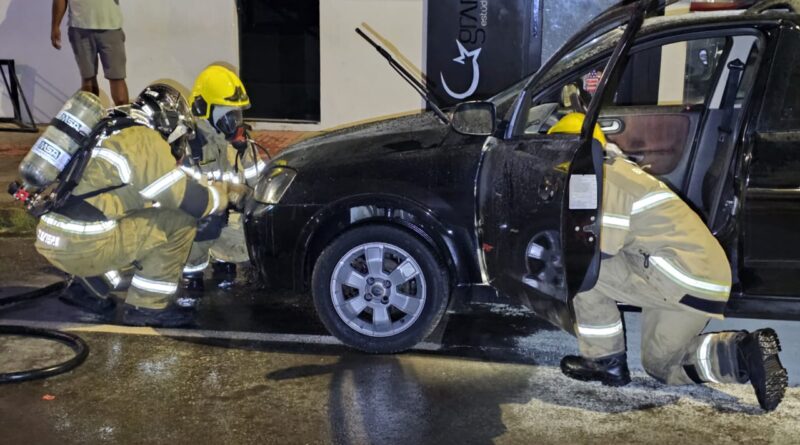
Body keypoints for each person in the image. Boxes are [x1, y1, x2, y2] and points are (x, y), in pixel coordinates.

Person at [549, 113, 788, 411]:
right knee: (660, 363)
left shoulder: (604, 181)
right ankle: (743, 352)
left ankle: (604, 361)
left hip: (679, 278)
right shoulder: (619, 171)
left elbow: (598, 250)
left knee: (582, 271)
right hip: (696, 276)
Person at [34, 84, 230, 327]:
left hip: (52, 237)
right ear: (169, 121)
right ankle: (148, 307)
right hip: (82, 246)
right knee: (179, 220)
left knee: (141, 216)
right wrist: (224, 196)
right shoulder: (144, 138)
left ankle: (86, 289)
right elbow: (185, 199)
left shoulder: (108, 129)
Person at [179, 65, 266, 301]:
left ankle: (223, 261)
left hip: (222, 217)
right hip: (195, 221)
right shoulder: (186, 144)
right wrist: (229, 193)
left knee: (257, 229)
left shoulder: (238, 144)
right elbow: (182, 197)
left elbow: (259, 183)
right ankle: (191, 276)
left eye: (237, 114)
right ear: (203, 110)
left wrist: (245, 153)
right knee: (199, 222)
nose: (235, 122)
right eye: (228, 115)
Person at [51, 0, 129, 105]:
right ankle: (92, 114)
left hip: (111, 28)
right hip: (79, 29)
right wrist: (55, 26)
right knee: (88, 79)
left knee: (117, 78)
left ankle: (124, 115)